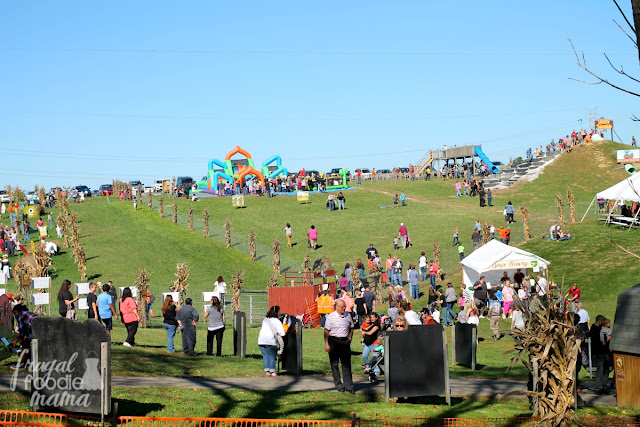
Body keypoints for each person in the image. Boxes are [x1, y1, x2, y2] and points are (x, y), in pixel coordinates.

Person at [324, 299, 355, 393]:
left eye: (345, 307)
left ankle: (349, 386)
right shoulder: (331, 317)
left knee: (346, 364)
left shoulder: (348, 316)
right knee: (335, 364)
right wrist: (326, 344)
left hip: (344, 341)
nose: (344, 308)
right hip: (333, 341)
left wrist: (350, 338)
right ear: (337, 307)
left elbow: (352, 327)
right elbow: (326, 331)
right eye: (342, 307)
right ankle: (338, 385)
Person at [259, 306, 286, 377]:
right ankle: (273, 372)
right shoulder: (277, 321)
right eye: (279, 311)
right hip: (270, 341)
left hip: (261, 340)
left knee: (265, 356)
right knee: (272, 356)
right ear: (276, 312)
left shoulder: (265, 319)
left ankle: (267, 372)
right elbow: (282, 333)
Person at [11, 304, 37, 369]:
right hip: (40, 328)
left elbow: (22, 331)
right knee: (27, 343)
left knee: (25, 345)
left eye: (15, 313)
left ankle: (21, 364)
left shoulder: (21, 315)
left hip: (36, 330)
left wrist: (18, 340)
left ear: (17, 311)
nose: (15, 316)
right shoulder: (26, 313)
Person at [361, 312, 381, 377]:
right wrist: (363, 338)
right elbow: (366, 330)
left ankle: (376, 371)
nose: (371, 318)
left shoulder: (377, 325)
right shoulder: (372, 324)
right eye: (371, 317)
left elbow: (370, 333)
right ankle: (369, 367)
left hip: (374, 344)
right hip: (367, 344)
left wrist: (364, 332)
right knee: (364, 356)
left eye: (373, 317)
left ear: (376, 317)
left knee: (374, 358)